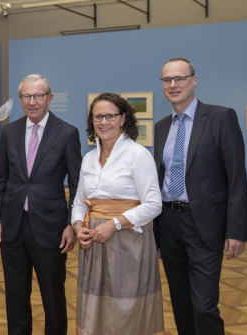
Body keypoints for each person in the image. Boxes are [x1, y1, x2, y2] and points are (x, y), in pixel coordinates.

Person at [154, 57, 247, 334]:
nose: (173, 85)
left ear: (193, 81)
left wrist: (237, 231)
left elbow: (237, 178)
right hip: (169, 224)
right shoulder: (161, 127)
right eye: (167, 80)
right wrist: (157, 234)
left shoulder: (221, 117)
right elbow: (159, 180)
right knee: (181, 303)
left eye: (180, 78)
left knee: (205, 306)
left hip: (205, 225)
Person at [0, 74, 82, 334]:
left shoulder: (67, 133)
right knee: (15, 298)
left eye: (38, 96)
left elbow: (76, 185)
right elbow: (1, 178)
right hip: (12, 227)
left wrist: (70, 224)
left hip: (51, 229)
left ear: (49, 98)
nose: (32, 102)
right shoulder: (10, 131)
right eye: (26, 96)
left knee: (53, 297)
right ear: (20, 100)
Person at [71, 93, 164, 335]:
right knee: (95, 309)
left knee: (126, 310)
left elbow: (154, 204)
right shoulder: (89, 158)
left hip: (128, 242)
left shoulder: (137, 154)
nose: (104, 122)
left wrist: (113, 224)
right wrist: (78, 226)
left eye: (110, 116)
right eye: (98, 117)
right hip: (93, 244)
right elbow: (80, 201)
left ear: (123, 119)